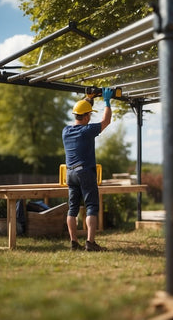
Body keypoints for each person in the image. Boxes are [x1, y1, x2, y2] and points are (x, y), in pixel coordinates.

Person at [62, 87, 113, 251]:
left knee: (72, 209)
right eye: (89, 115)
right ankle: (90, 243)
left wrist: (89, 98)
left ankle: (73, 242)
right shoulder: (87, 131)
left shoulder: (66, 131)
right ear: (85, 116)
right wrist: (107, 101)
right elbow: (106, 121)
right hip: (85, 172)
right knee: (91, 207)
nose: (90, 117)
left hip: (70, 173)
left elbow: (83, 110)